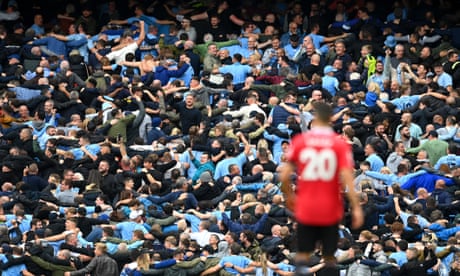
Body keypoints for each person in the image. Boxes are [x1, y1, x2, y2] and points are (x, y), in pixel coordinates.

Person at [279, 101, 363, 275]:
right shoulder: (338, 144)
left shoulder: (301, 141)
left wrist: (290, 197)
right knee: (328, 254)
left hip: (307, 203)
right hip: (330, 204)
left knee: (303, 252)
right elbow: (348, 178)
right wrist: (356, 207)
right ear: (330, 120)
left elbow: (284, 174)